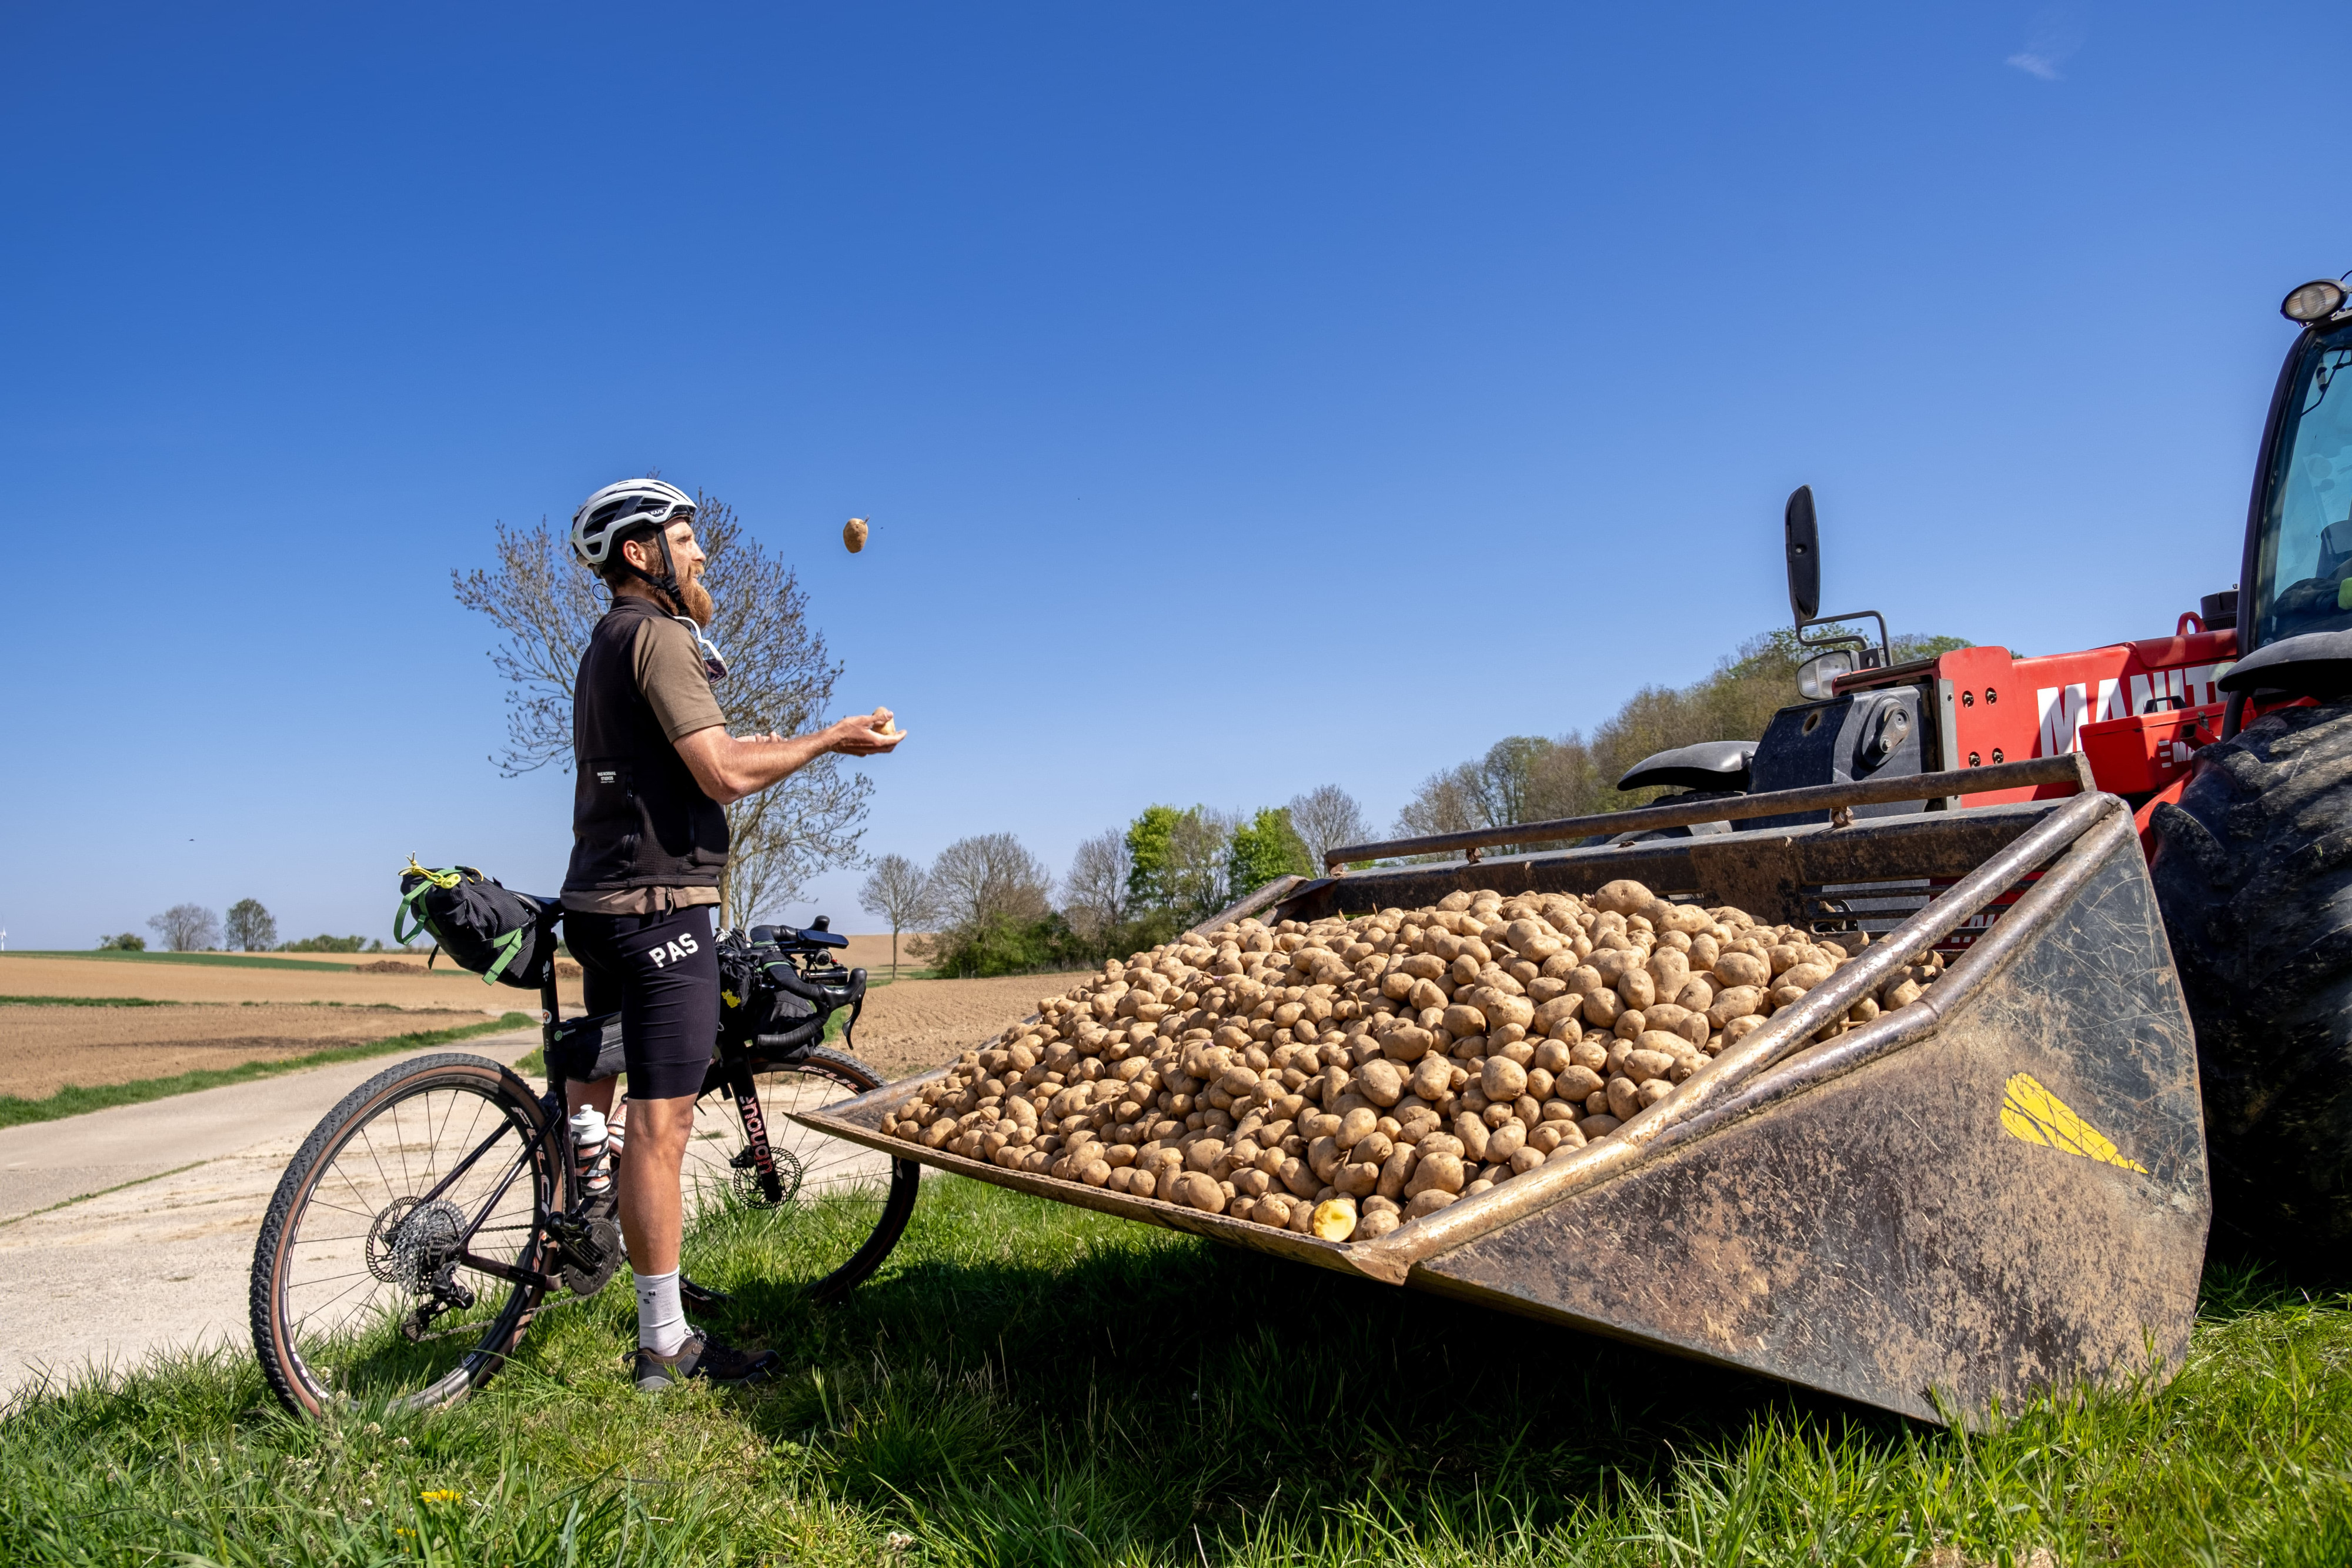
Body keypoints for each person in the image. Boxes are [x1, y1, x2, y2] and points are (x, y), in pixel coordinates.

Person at [561, 477, 904, 1392]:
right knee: (660, 1127)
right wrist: (830, 739)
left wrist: (749, 746)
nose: (703, 552)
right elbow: (719, 775)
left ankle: (567, 1241)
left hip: (598, 902)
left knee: (597, 1102)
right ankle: (665, 1347)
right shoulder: (661, 635)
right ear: (642, 555)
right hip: (663, 911)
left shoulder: (607, 642)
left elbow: (673, 764)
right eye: (687, 535)